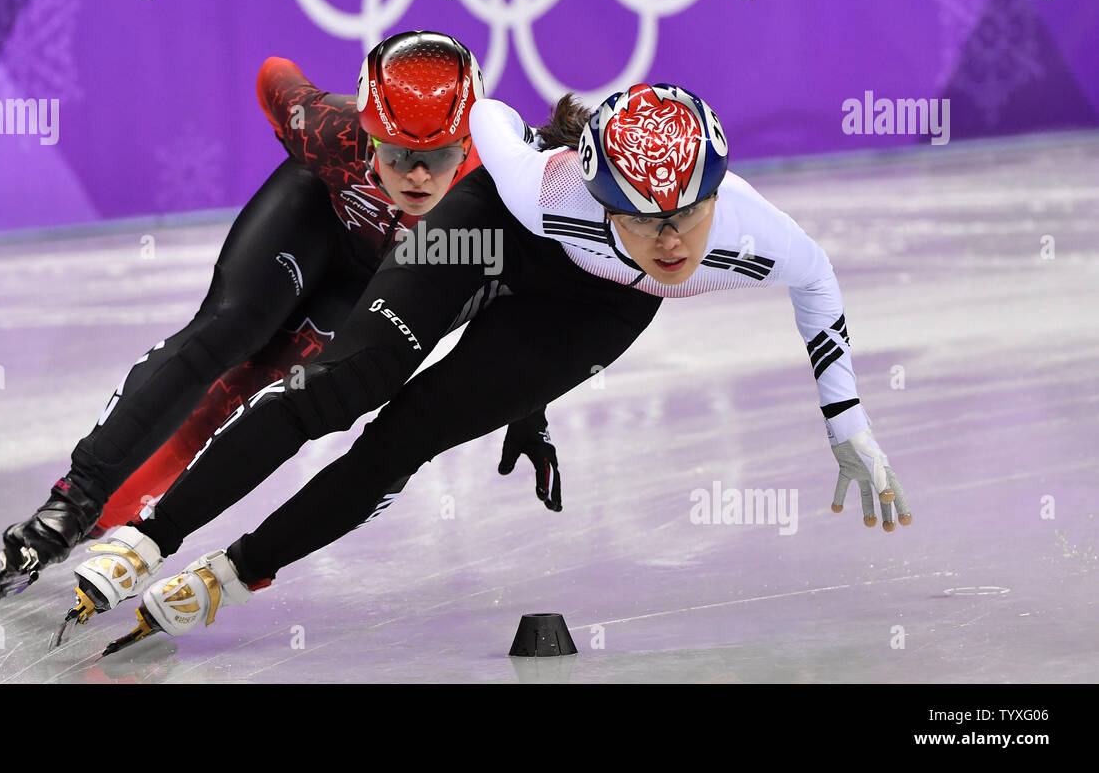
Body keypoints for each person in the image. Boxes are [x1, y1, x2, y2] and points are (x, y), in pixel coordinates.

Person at [74, 81, 912, 654]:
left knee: (407, 436)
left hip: (590, 310)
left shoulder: (750, 238)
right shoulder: (543, 185)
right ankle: (149, 537)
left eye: (688, 215)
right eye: (643, 219)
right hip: (491, 230)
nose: (672, 243)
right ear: (599, 193)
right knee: (339, 386)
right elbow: (490, 116)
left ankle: (234, 572)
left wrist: (850, 428)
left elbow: (821, 287)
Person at [0, 32, 561, 600]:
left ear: (470, 144)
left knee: (260, 393)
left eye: (440, 157)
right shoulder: (327, 126)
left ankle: (115, 524)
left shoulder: (508, 178)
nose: (417, 175)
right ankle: (72, 503)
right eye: (400, 153)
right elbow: (273, 74)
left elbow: (526, 297)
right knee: (228, 329)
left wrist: (527, 409)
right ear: (368, 131)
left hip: (388, 278)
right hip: (314, 217)